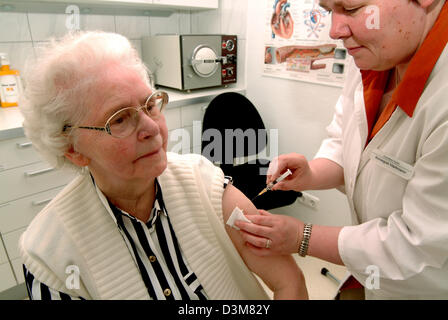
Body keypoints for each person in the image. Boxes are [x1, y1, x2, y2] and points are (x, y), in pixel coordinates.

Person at [18, 31, 308, 300]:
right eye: (119, 119)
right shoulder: (49, 256)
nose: (152, 129)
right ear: (73, 149)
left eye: (150, 105)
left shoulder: (204, 181)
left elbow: (289, 282)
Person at [235, 0, 448, 299]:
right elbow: (347, 144)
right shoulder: (374, 56)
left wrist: (301, 237)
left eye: (351, 8)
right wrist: (310, 174)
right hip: (375, 277)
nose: (334, 30)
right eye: (327, 10)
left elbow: (416, 243)